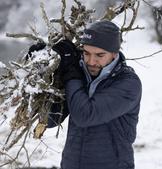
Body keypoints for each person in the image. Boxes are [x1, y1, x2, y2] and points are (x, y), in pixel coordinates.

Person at [29, 20, 142, 169]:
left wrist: (71, 73)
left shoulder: (128, 84)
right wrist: (43, 68)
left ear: (114, 54)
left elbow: (84, 115)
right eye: (86, 53)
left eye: (99, 55)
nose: (91, 61)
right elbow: (52, 119)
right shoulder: (82, 73)